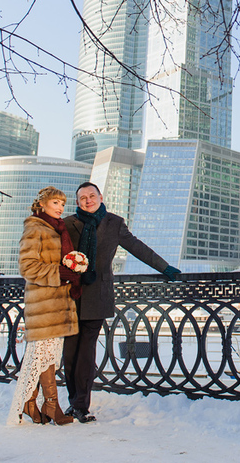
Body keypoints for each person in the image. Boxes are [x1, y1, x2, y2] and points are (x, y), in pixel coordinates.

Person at [62, 181, 180, 423]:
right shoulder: (68, 224)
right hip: (70, 295)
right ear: (77, 202)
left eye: (92, 196)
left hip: (98, 294)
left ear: (100, 196)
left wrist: (165, 267)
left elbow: (137, 247)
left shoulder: (114, 223)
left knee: (86, 352)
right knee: (70, 353)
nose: (88, 201)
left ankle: (80, 406)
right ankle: (72, 400)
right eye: (83, 198)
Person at [7, 186, 85, 426]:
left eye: (62, 204)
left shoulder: (56, 229)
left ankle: (38, 404)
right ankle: (50, 404)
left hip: (58, 302)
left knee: (49, 356)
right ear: (42, 205)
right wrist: (59, 273)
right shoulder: (34, 229)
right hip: (43, 304)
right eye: (55, 203)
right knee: (41, 354)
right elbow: (28, 267)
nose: (60, 208)